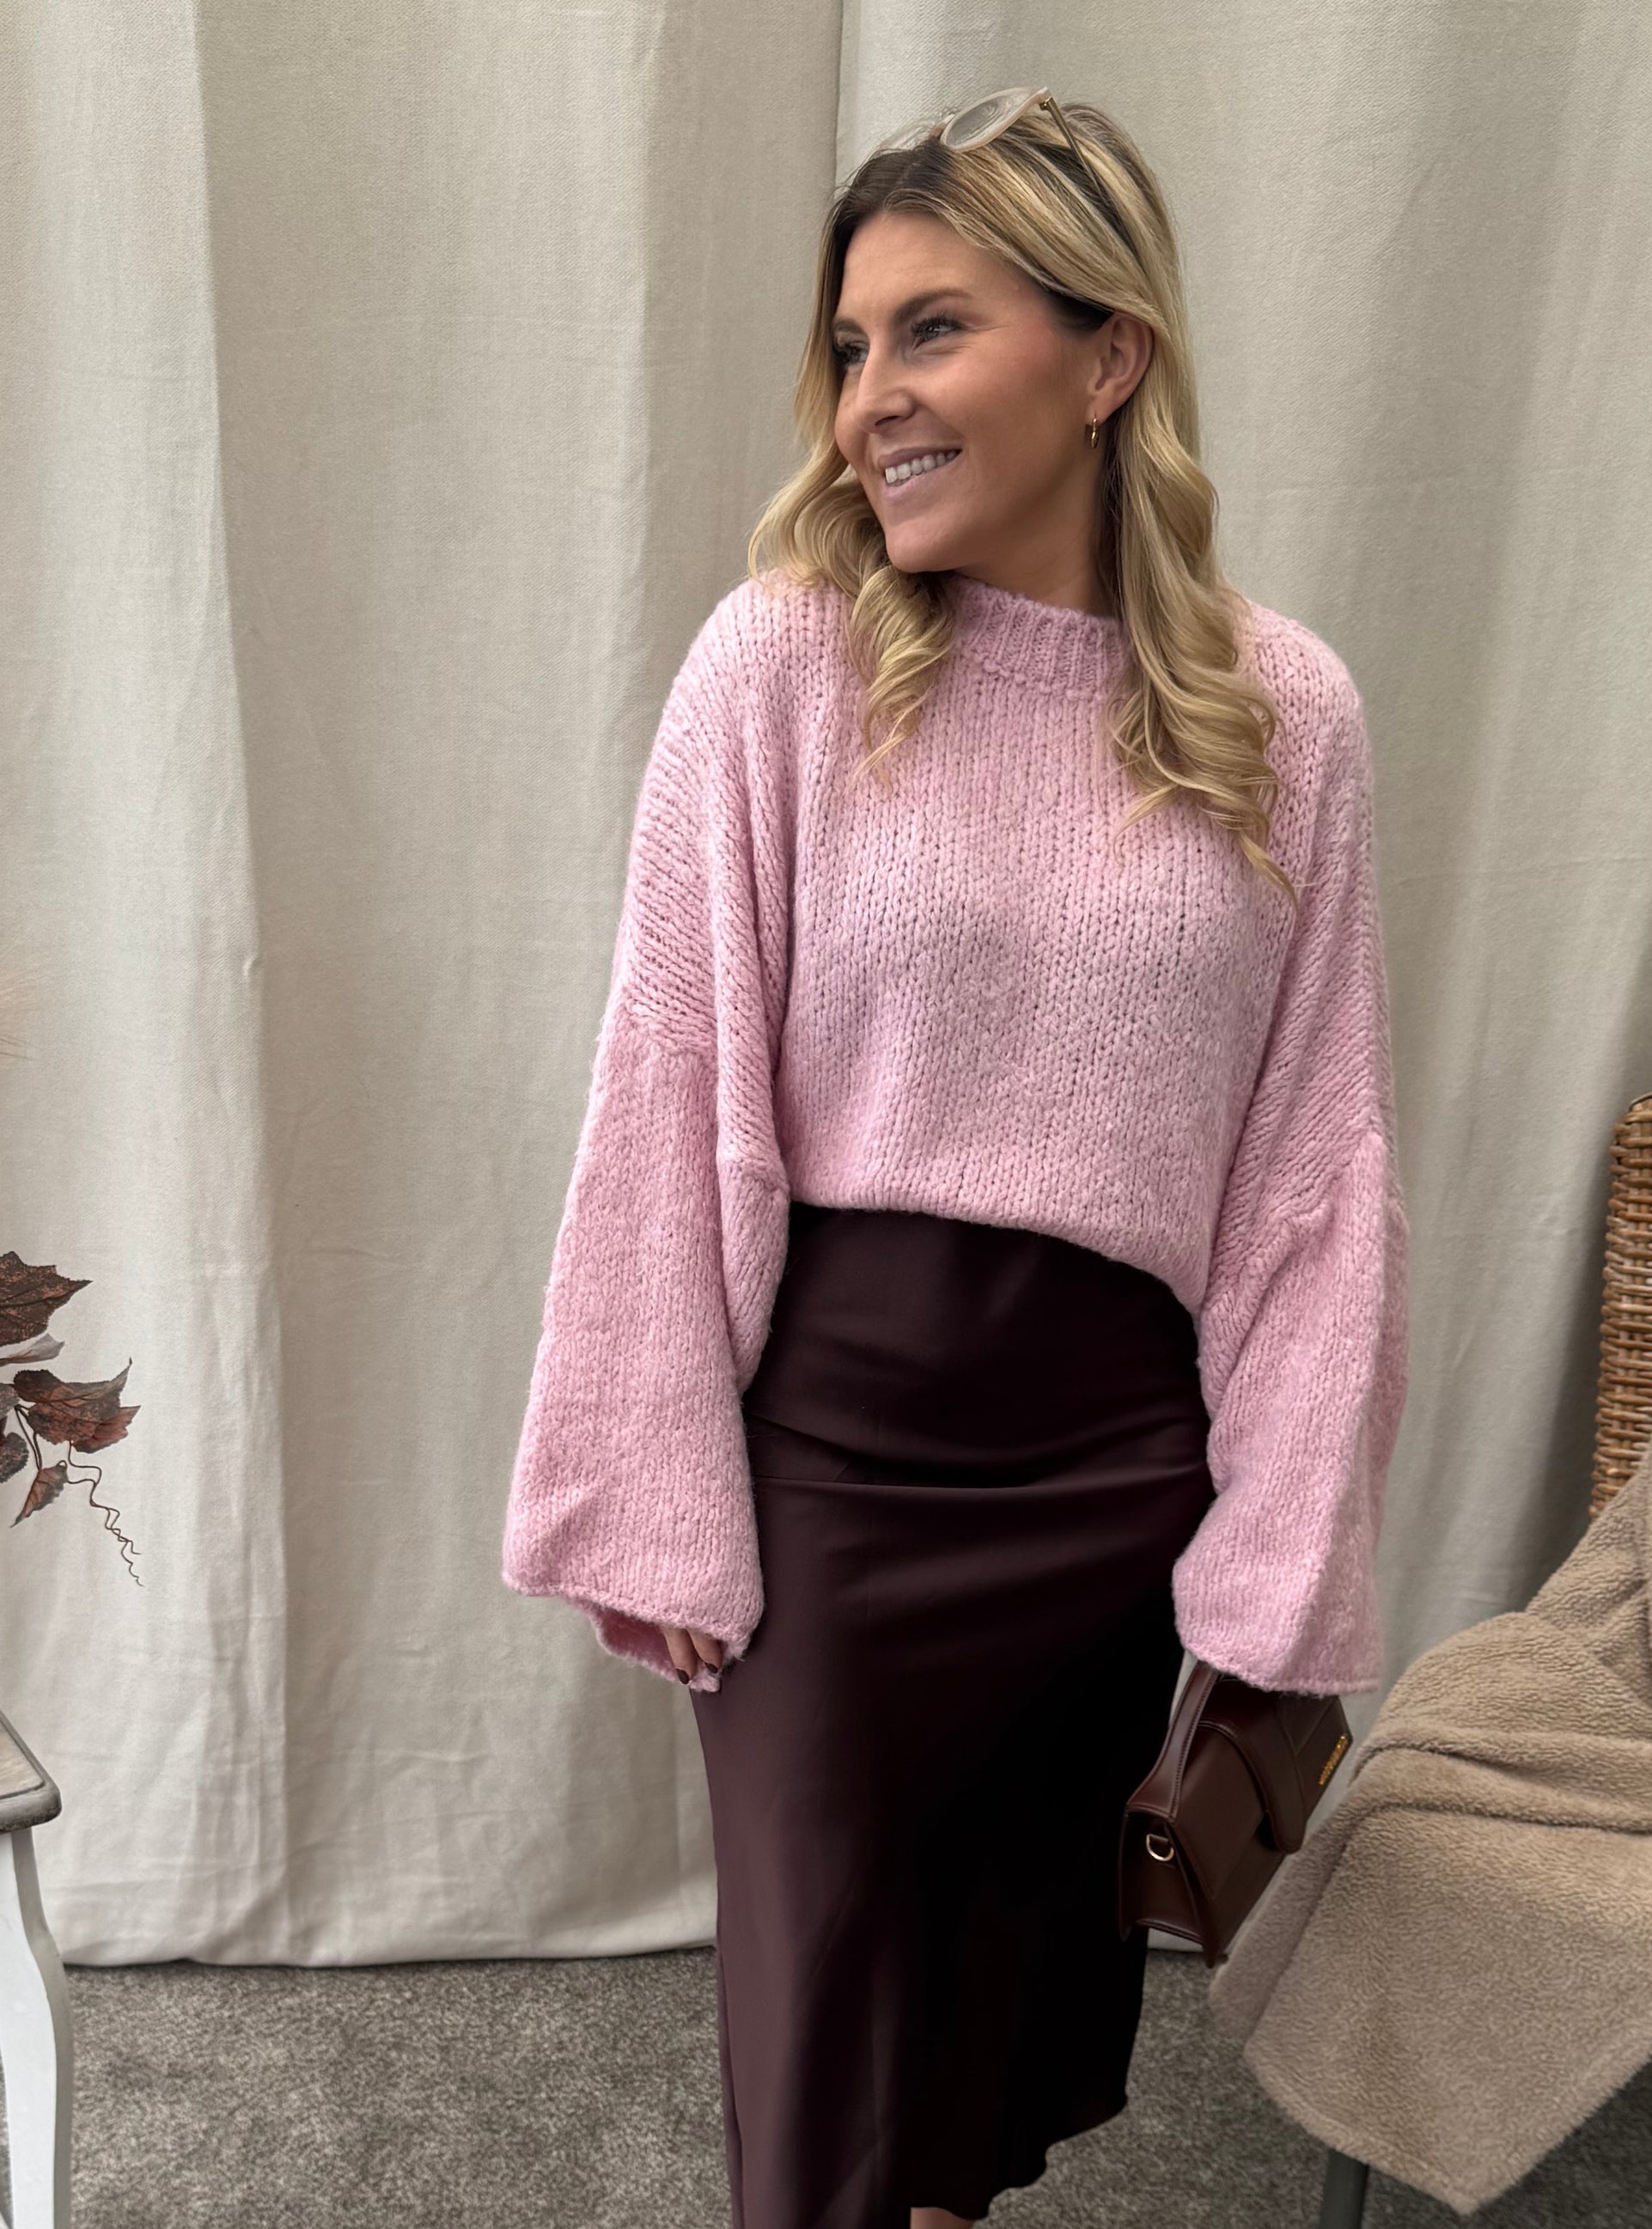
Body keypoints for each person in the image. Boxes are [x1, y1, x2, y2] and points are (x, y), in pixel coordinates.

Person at [502, 86, 1410, 2229]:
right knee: (829, 2084)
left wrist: (1276, 1574)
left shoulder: (1285, 718)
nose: (866, 401)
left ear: (1109, 360)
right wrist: (652, 1481)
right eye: (849, 347)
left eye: (931, 330)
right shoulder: (781, 664)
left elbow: (1312, 1170)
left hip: (1109, 1483)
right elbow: (670, 1080)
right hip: (829, 1468)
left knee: (960, 2092)